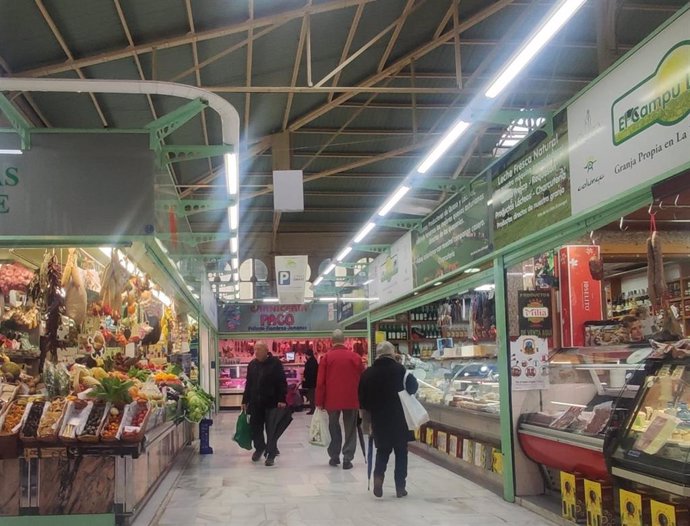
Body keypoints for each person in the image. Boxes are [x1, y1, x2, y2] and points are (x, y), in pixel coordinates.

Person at [359, 341, 419, 499]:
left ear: (377, 354)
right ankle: (400, 487)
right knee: (401, 453)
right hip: (400, 418)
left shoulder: (368, 373)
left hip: (379, 419)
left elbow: (362, 400)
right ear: (392, 353)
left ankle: (378, 478)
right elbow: (413, 387)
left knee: (382, 451)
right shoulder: (400, 369)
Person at [316, 329, 365, 470]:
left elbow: (320, 382)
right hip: (351, 398)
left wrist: (319, 401)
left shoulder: (326, 358)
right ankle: (347, 458)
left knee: (333, 426)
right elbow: (363, 378)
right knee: (350, 428)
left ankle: (334, 455)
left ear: (332, 341)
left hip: (332, 399)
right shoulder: (355, 357)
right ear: (344, 341)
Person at [241, 341, 288, 467]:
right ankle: (259, 448)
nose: (256, 352)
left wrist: (282, 399)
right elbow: (248, 384)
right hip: (255, 402)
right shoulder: (252, 365)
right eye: (255, 349)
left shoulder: (275, 364)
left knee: (271, 430)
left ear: (266, 351)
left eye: (259, 349)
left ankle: (271, 454)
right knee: (256, 428)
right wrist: (245, 400)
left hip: (271, 402)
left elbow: (282, 382)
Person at [302, 348, 318, 415]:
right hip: (312, 382)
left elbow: (310, 372)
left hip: (311, 382)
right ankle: (313, 409)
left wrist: (305, 378)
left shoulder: (311, 362)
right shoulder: (313, 361)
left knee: (311, 396)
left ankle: (313, 409)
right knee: (311, 395)